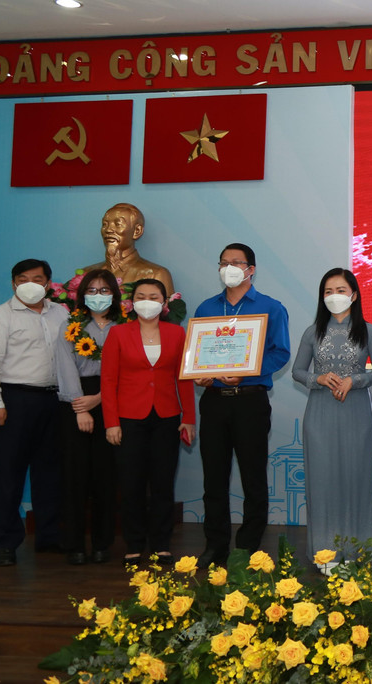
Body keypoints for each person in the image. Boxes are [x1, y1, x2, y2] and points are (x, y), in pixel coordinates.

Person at [194, 243, 291, 567]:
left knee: (253, 478)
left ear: (251, 269)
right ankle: (215, 545)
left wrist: (248, 372)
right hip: (214, 402)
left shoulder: (270, 307)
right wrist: (200, 374)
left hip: (251, 401)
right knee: (214, 478)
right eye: (224, 262)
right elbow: (197, 354)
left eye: (236, 262)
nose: (229, 268)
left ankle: (248, 546)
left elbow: (280, 353)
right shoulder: (207, 308)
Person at [0, 258, 70, 566]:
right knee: (9, 473)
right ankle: (6, 541)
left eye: (37, 278)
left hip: (54, 400)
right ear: (13, 283)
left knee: (50, 472)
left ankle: (49, 536)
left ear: (48, 283)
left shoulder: (62, 313)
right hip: (13, 401)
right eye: (23, 279)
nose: (30, 284)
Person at [294, 268, 372, 567]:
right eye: (328, 291)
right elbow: (298, 371)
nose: (334, 296)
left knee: (356, 480)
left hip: (357, 412)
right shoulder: (312, 332)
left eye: (341, 290)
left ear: (354, 295)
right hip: (319, 413)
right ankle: (325, 554)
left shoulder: (368, 331)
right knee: (321, 481)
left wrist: (355, 380)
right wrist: (319, 379)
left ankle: (357, 552)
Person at [102, 279, 195, 565]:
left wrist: (189, 418)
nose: (147, 301)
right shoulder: (118, 333)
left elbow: (184, 379)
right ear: (131, 302)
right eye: (141, 296)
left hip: (167, 417)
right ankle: (134, 544)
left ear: (164, 303)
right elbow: (108, 380)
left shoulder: (177, 333)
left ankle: (161, 544)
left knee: (163, 484)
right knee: (131, 484)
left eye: (154, 297)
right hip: (129, 418)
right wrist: (111, 422)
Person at [53, 268, 126, 564]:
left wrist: (101, 398)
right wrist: (81, 408)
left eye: (104, 290)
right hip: (76, 400)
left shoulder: (124, 326)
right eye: (92, 290)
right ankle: (74, 545)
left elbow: (127, 370)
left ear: (114, 294)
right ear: (82, 295)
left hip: (113, 399)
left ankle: (101, 543)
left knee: (105, 476)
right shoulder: (71, 325)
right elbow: (65, 366)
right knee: (75, 476)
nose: (98, 296)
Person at [82, 202, 176, 298]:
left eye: (118, 224)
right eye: (105, 224)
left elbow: (165, 306)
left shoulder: (156, 274)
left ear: (137, 231)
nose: (108, 230)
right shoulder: (86, 273)